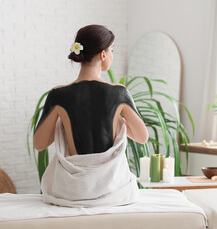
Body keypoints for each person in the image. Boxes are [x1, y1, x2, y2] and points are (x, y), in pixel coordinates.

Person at [33, 25, 148, 207]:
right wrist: (118, 120)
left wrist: (62, 120)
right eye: (112, 50)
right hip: (112, 191)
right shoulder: (118, 93)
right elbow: (142, 137)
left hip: (71, 193)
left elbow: (39, 144)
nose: (112, 55)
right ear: (103, 54)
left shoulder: (58, 95)